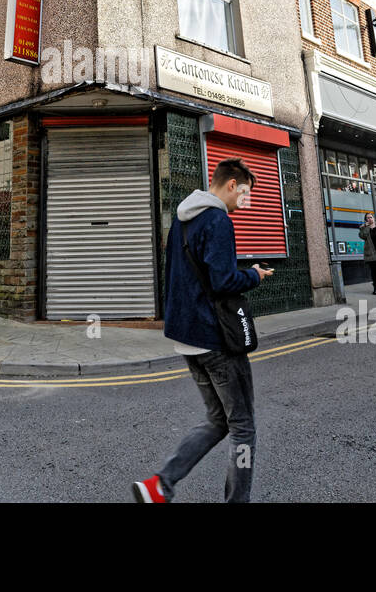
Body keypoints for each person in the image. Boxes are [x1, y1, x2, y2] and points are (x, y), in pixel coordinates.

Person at [132, 158, 274, 503]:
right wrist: (254, 275)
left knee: (217, 419)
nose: (246, 201)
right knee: (242, 426)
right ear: (230, 185)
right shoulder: (217, 220)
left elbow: (182, 278)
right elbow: (223, 281)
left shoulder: (181, 221)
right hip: (215, 339)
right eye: (245, 193)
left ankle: (160, 485)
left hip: (188, 337)